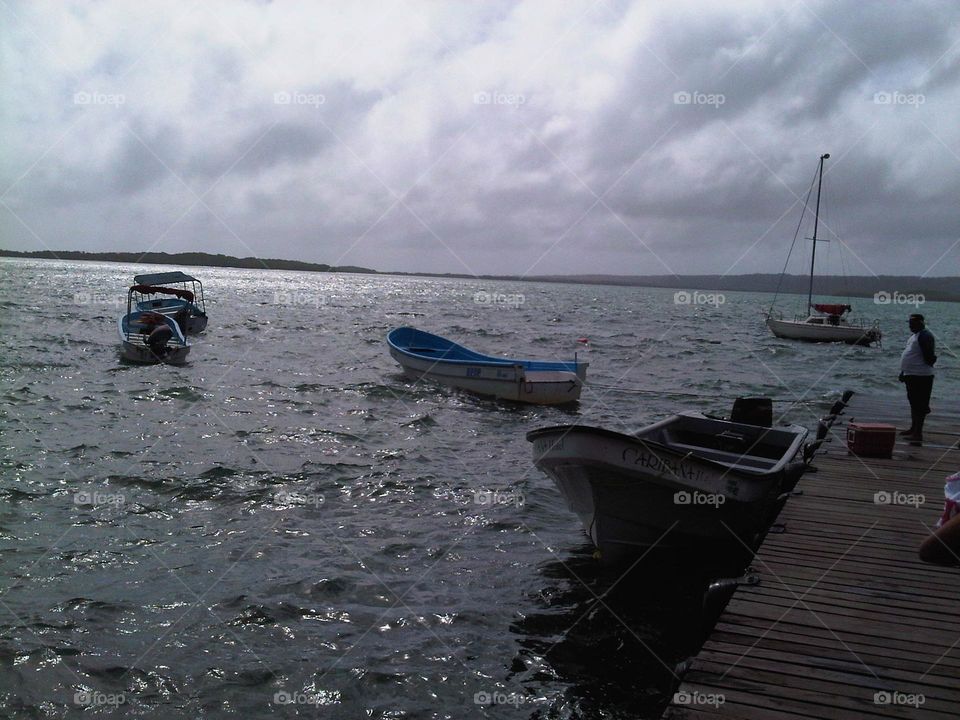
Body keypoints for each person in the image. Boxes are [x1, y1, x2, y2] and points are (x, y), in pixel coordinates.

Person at [898, 313, 936, 444]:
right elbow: (910, 354)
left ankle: (918, 433)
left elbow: (930, 357)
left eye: (913, 324)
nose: (910, 326)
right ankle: (913, 428)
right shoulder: (914, 336)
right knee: (913, 402)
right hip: (911, 374)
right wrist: (903, 372)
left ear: (921, 323)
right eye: (909, 324)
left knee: (920, 404)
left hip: (922, 376)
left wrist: (930, 361)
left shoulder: (925, 336)